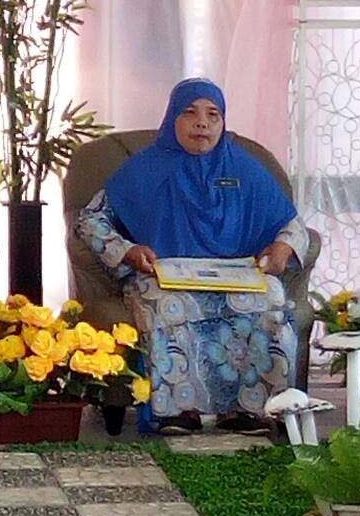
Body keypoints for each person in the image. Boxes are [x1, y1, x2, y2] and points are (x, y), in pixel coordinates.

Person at [75, 78, 308, 436]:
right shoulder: (143, 169)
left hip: (236, 275)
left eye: (213, 115)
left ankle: (250, 409)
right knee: (167, 304)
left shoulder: (244, 168)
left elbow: (292, 224)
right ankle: (176, 410)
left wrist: (283, 248)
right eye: (190, 113)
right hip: (164, 277)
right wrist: (128, 251)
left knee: (271, 299)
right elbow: (90, 220)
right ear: (172, 118)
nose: (202, 123)